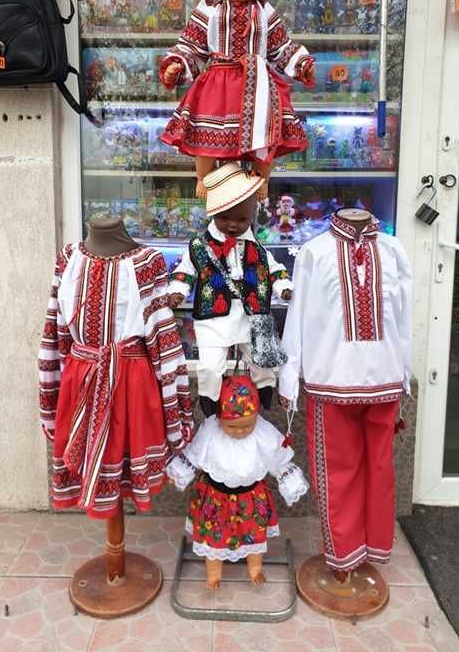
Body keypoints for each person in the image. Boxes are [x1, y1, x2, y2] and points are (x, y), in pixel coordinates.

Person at [278, 208, 413, 577]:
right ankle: (343, 557)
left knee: (379, 470)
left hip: (384, 380)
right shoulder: (314, 251)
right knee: (337, 472)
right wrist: (290, 375)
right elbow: (298, 314)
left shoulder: (393, 250)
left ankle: (372, 548)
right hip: (329, 380)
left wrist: (404, 371)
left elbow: (404, 318)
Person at [38, 217, 193, 519]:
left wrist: (174, 403)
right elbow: (54, 329)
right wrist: (50, 394)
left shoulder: (147, 261)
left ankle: (118, 551)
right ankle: (113, 554)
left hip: (130, 381)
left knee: (124, 458)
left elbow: (163, 335)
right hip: (81, 377)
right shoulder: (68, 258)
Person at [158, 0, 315, 198]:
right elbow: (192, 47)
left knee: (265, 133)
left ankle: (261, 180)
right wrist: (178, 64)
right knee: (205, 132)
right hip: (217, 85)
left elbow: (281, 47)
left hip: (258, 86)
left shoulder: (265, 13)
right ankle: (204, 178)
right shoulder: (208, 10)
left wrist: (300, 63)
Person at [168, 161, 292, 416]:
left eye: (241, 219)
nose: (233, 225)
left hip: (252, 314)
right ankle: (209, 397)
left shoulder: (256, 246)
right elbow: (185, 270)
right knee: (210, 365)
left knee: (261, 360)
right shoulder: (199, 245)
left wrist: (283, 286)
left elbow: (274, 267)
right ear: (213, 213)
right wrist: (178, 290)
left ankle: (266, 388)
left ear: (251, 217)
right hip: (214, 314)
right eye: (224, 218)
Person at [166, 374, 308, 588]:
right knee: (213, 538)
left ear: (256, 417)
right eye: (232, 427)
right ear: (219, 417)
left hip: (251, 499)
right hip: (216, 499)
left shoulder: (262, 433)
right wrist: (179, 472)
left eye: (247, 425)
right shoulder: (210, 431)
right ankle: (214, 573)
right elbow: (193, 455)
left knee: (254, 536)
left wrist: (290, 480)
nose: (240, 431)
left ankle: (255, 569)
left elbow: (278, 458)